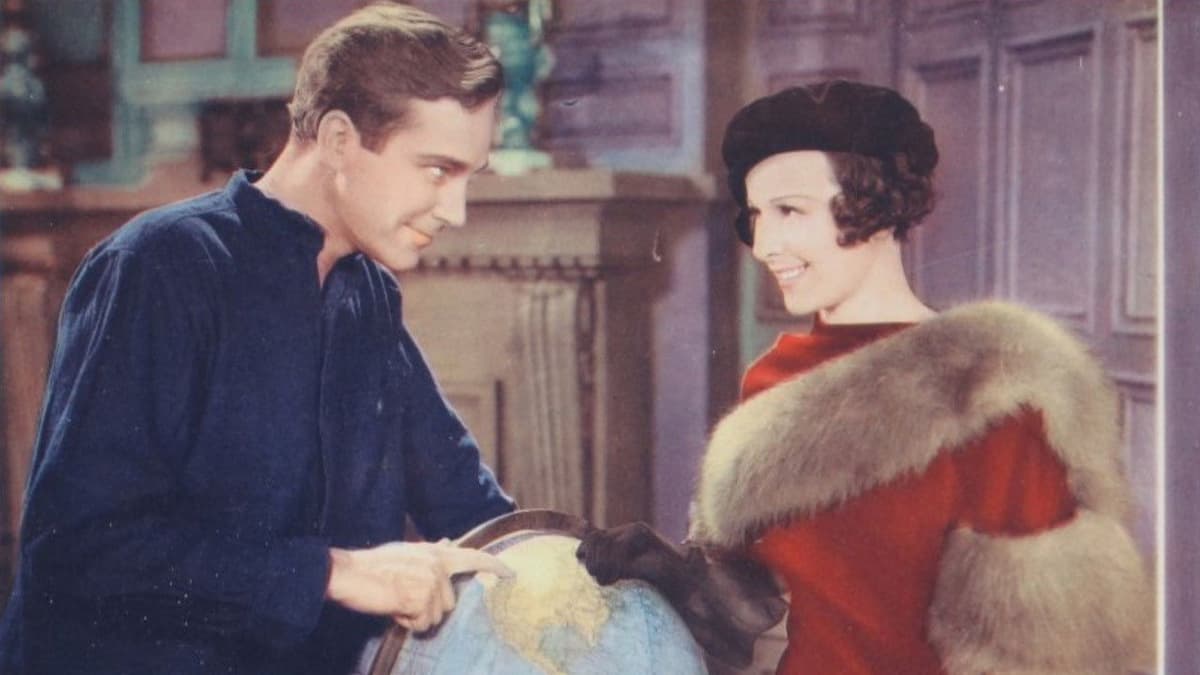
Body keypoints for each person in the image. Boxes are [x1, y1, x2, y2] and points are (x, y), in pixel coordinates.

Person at [0, 4, 518, 674]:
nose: (457, 211)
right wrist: (332, 573)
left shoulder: (367, 295)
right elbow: (77, 549)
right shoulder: (161, 265)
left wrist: (590, 561)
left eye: (471, 176)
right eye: (439, 170)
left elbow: (470, 506)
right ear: (338, 139)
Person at [578, 80, 1155, 674]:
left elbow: (1051, 654)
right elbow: (752, 609)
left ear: (874, 206)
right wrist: (672, 572)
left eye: (790, 211)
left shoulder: (988, 391)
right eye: (756, 216)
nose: (766, 244)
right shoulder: (774, 379)